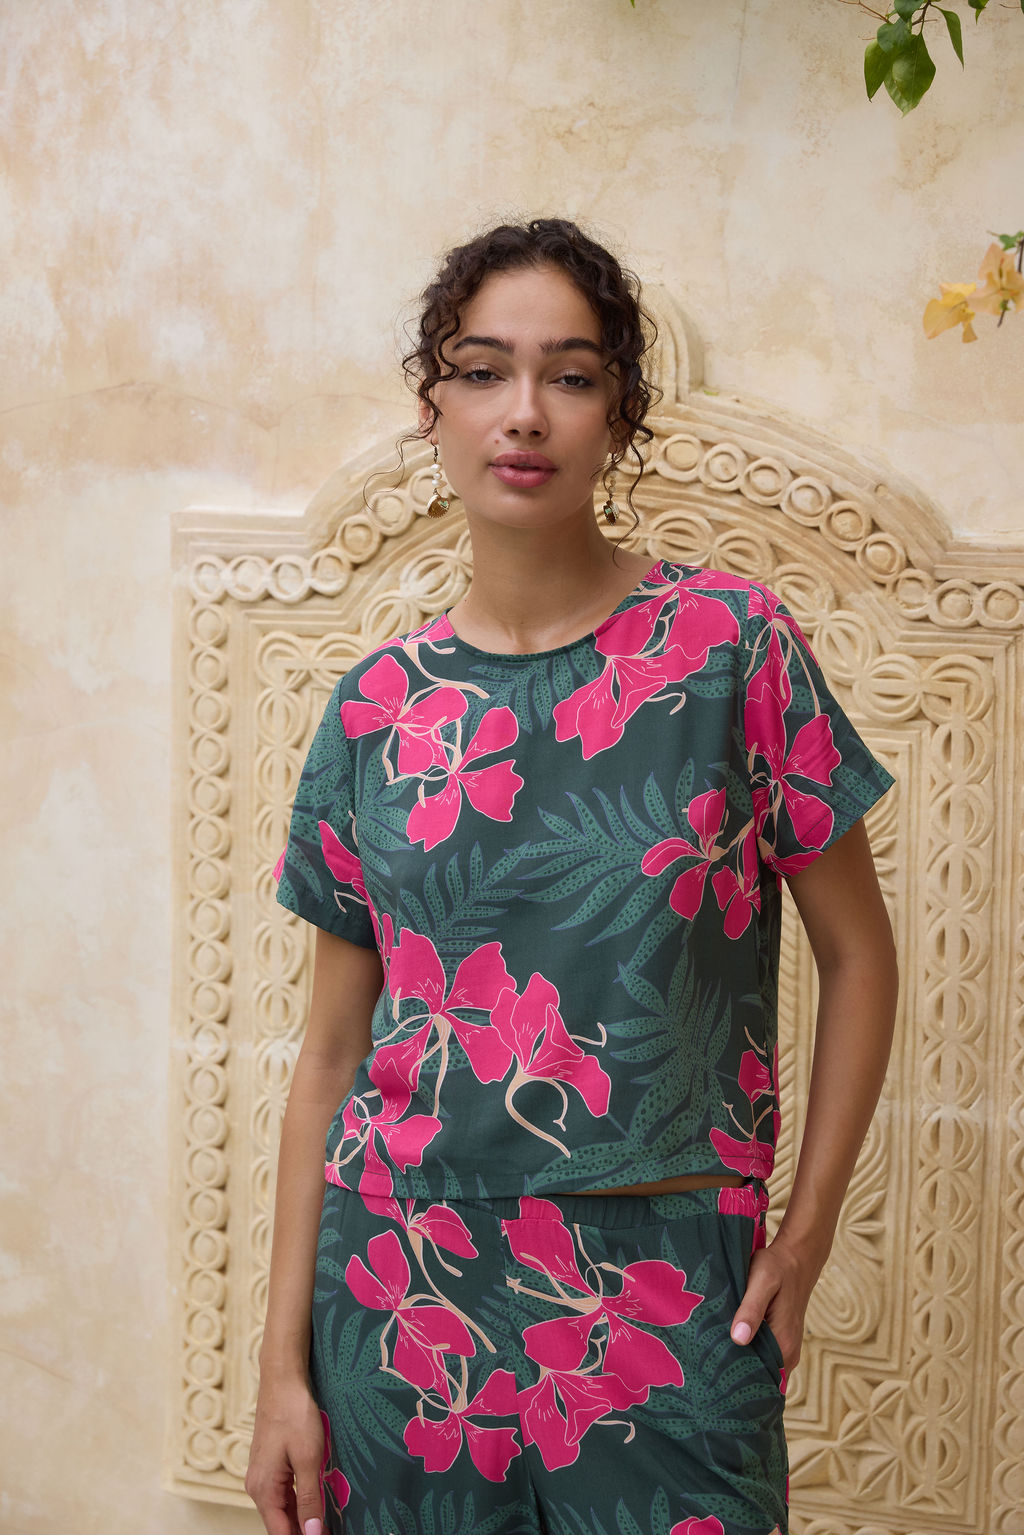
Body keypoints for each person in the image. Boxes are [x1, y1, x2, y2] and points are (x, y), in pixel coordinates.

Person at [245, 218, 898, 1535]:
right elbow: (329, 1053)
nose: (524, 412)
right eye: (484, 371)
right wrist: (278, 1374)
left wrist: (807, 1231)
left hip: (671, 1288)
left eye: (573, 374)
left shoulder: (733, 648)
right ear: (432, 408)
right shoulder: (377, 709)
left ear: (620, 414)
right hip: (398, 1294)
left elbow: (861, 956)